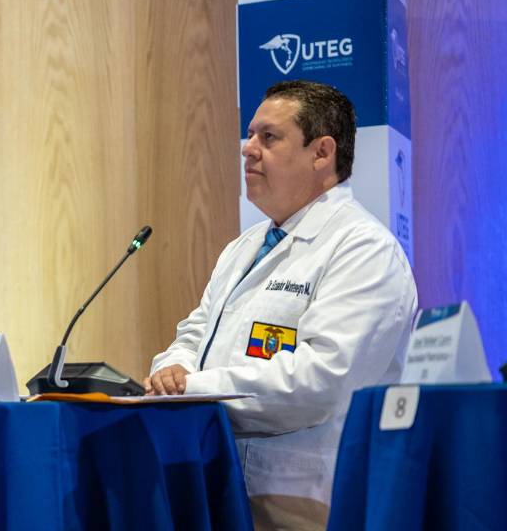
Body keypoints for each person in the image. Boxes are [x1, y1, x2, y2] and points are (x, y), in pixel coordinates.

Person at [145, 80, 417, 529]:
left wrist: (190, 390)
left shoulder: (364, 249)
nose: (247, 150)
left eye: (268, 137)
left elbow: (321, 381)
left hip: (304, 497)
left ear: (322, 152)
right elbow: (194, 334)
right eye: (250, 135)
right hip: (217, 484)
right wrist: (171, 370)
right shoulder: (244, 247)